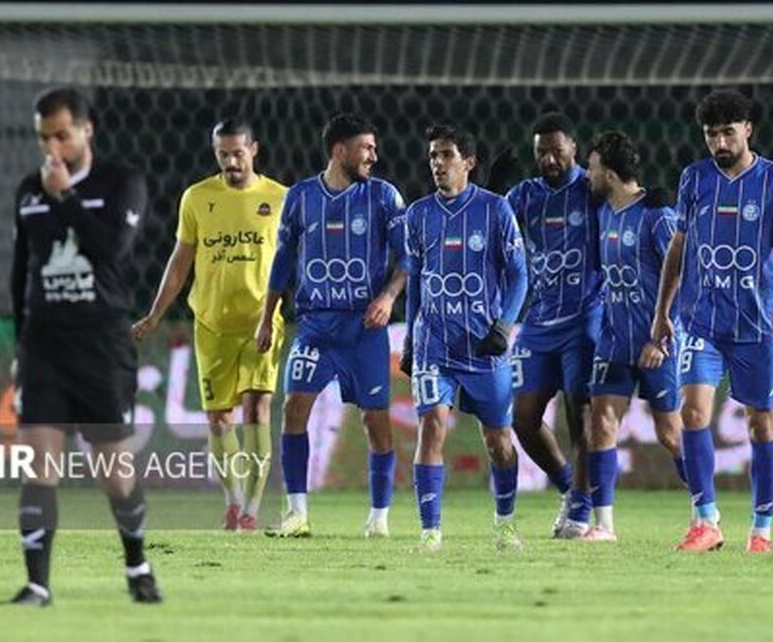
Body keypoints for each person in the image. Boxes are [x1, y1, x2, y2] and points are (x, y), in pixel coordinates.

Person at [7, 87, 160, 606]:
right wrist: (19, 346)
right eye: (43, 137)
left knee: (114, 473)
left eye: (61, 135)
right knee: (38, 465)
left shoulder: (121, 183)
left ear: (86, 129)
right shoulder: (28, 191)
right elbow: (20, 275)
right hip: (44, 348)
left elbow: (111, 250)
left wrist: (66, 199)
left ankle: (137, 564)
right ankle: (37, 584)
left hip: (101, 346)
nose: (52, 146)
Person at [643, 89, 773, 554]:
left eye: (728, 133)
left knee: (761, 424)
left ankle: (762, 529)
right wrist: (662, 312)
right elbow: (678, 247)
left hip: (758, 324)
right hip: (701, 320)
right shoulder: (694, 178)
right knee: (692, 412)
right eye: (711, 134)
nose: (719, 142)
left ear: (747, 130)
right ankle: (705, 521)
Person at [255, 114, 408, 538]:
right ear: (340, 150)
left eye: (374, 148)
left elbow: (408, 258)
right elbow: (283, 261)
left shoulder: (383, 196)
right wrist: (267, 319)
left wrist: (388, 297)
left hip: (364, 330)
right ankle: (297, 513)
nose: (373, 156)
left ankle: (379, 517)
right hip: (316, 328)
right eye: (366, 148)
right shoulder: (301, 197)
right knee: (293, 409)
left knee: (375, 423)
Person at [131, 119, 286, 532]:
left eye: (238, 153)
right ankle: (232, 501)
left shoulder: (280, 198)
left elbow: (293, 261)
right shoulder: (197, 198)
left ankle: (251, 509)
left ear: (254, 149)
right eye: (223, 154)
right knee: (219, 420)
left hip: (261, 322)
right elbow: (180, 261)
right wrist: (155, 313)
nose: (231, 162)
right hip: (212, 324)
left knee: (257, 407)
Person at [402, 124, 529, 552]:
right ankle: (430, 533)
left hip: (482, 345)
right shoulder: (418, 215)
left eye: (447, 155)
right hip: (434, 344)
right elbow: (415, 281)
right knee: (431, 427)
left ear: (469, 162)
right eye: (433, 156)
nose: (438, 163)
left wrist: (504, 326)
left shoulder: (495, 210)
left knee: (499, 442)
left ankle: (505, 524)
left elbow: (519, 275)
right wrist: (410, 338)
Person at [496, 114, 601, 539]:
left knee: (581, 414)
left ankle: (580, 509)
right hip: (539, 321)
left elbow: (626, 199)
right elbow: (491, 226)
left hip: (585, 316)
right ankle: (569, 488)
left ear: (574, 148)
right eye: (542, 152)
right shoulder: (525, 195)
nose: (550, 159)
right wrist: (492, 190)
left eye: (557, 151)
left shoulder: (592, 189)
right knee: (522, 418)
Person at [580, 131, 686, 542]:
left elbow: (682, 275)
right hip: (613, 340)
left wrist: (660, 339)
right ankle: (604, 526)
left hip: (656, 343)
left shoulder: (656, 216)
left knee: (670, 433)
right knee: (601, 423)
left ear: (608, 173)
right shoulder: (603, 213)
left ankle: (705, 511)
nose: (586, 175)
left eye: (591, 167)